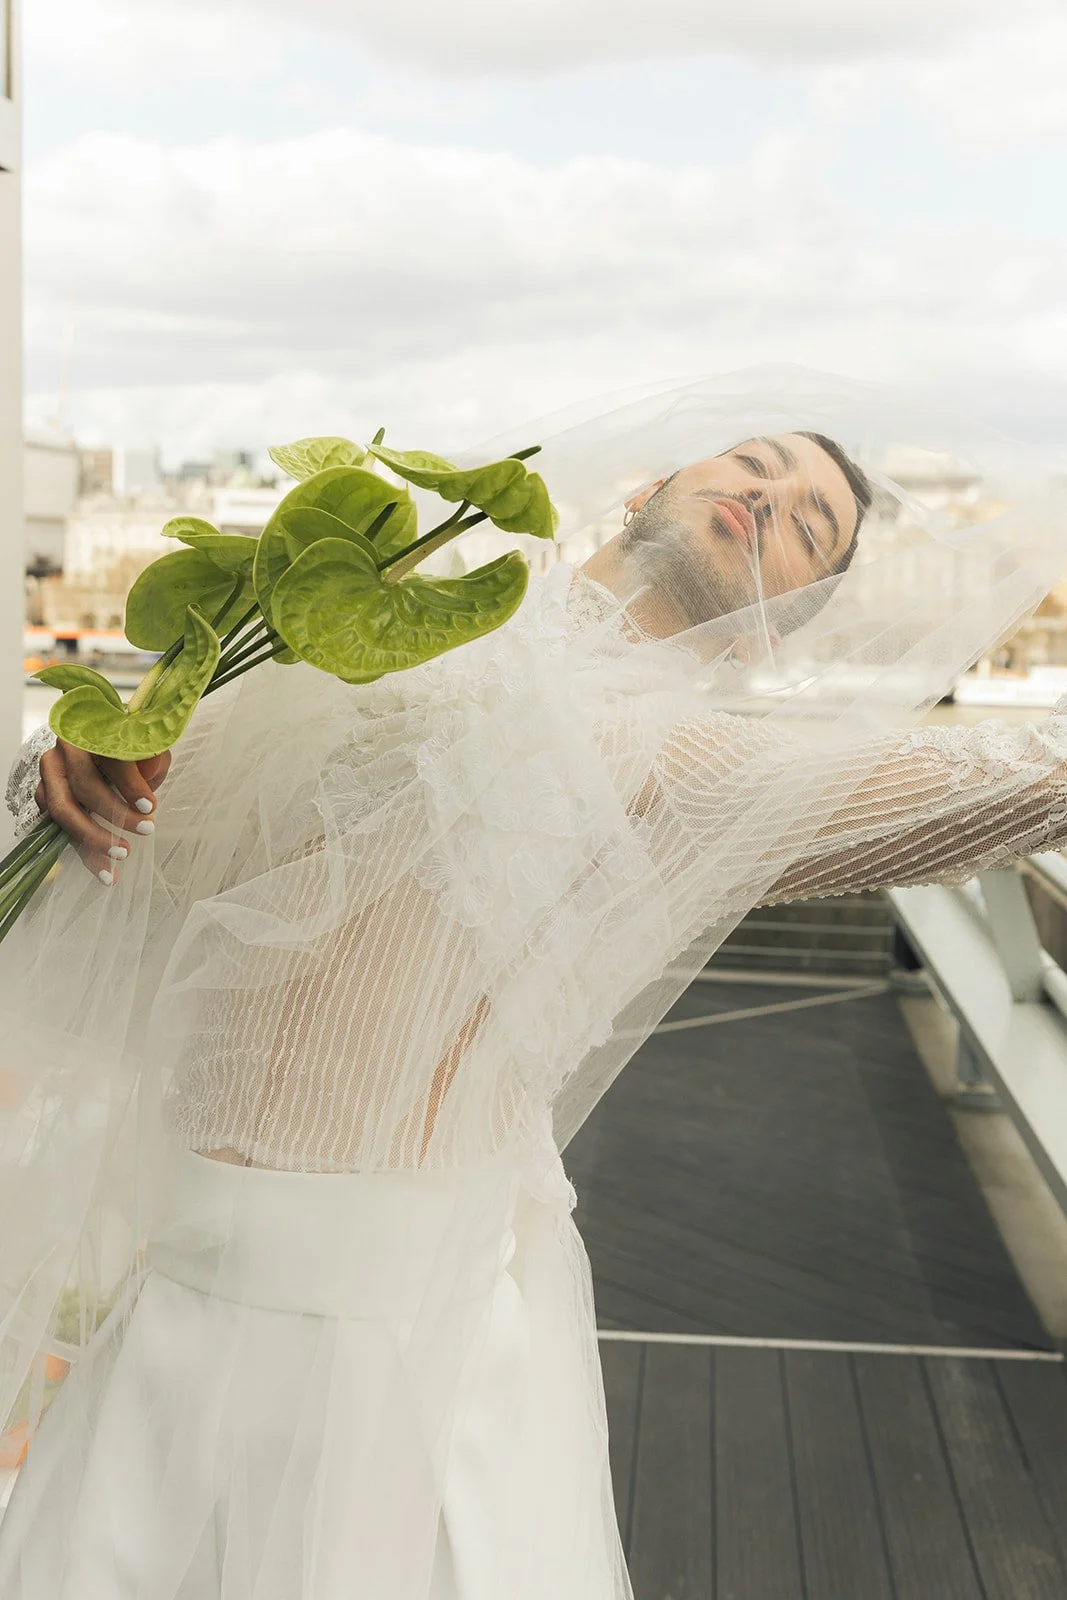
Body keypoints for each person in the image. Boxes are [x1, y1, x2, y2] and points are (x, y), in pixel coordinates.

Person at [1, 378, 1067, 1599]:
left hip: (388, 1360)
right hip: (178, 1294)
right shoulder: (376, 631)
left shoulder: (690, 773)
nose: (770, 495)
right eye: (753, 461)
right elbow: (124, 836)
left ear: (772, 633)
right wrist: (74, 757)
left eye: (810, 525)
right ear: (648, 487)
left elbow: (1000, 788)